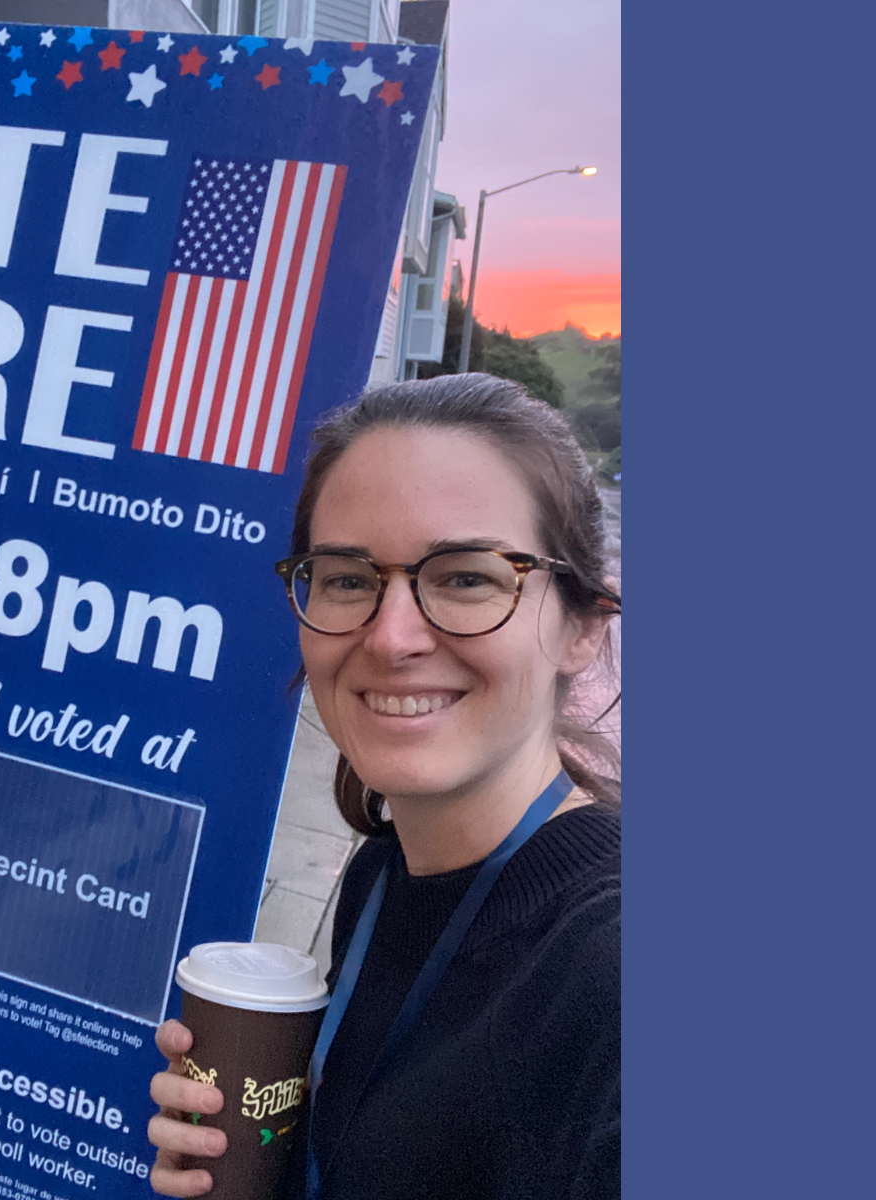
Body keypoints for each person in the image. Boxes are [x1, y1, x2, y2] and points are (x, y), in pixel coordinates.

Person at [147, 374, 622, 1200]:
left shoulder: (608, 965)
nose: (392, 636)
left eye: (467, 578)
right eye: (346, 578)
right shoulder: (383, 872)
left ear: (581, 626)